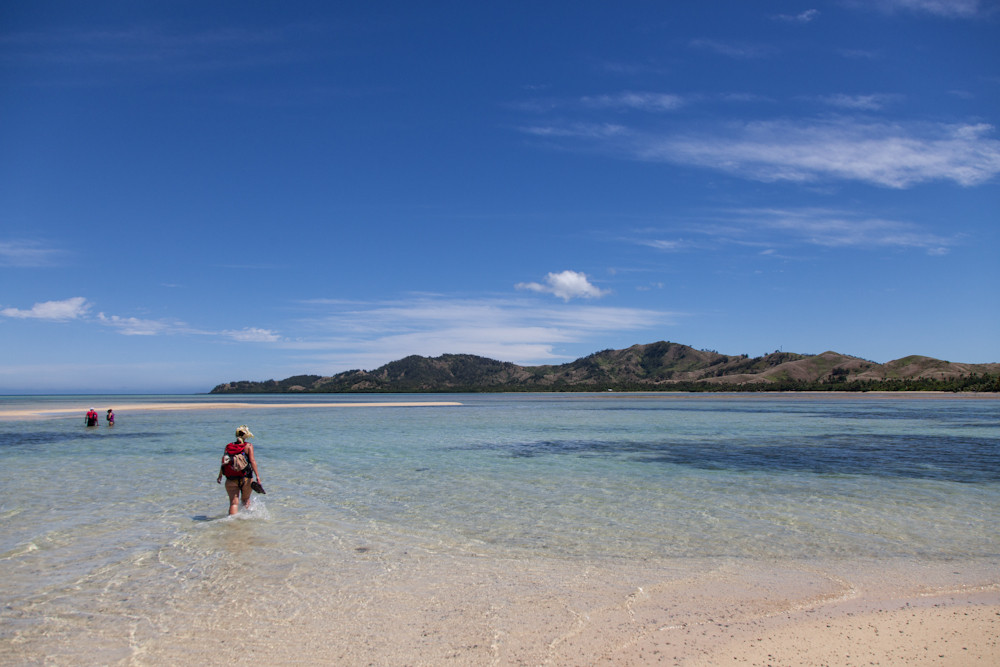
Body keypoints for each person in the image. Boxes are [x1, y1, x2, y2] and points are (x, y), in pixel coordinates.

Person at [216, 425, 262, 515]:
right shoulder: (248, 446)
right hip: (246, 478)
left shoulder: (228, 446)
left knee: (233, 503)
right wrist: (257, 476)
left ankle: (231, 523)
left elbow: (224, 461)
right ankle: (244, 523)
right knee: (245, 500)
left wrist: (220, 475)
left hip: (230, 478)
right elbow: (252, 461)